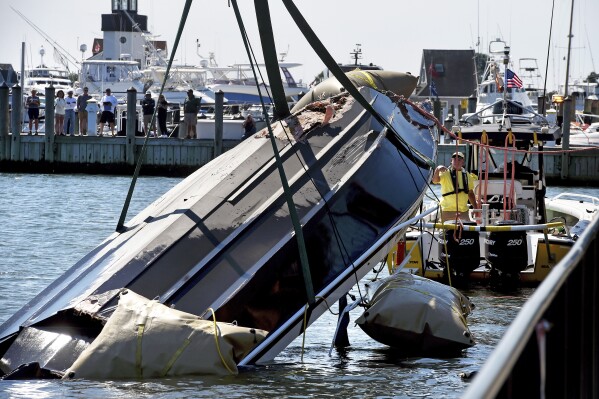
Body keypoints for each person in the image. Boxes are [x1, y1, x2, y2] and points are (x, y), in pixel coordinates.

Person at [432, 151, 480, 221]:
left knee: (465, 231)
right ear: (451, 161)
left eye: (459, 159)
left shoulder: (467, 175)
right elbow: (435, 181)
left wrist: (476, 209)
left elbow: (470, 193)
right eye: (454, 159)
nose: (456, 161)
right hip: (447, 211)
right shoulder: (445, 173)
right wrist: (437, 169)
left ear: (463, 162)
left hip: (463, 212)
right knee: (446, 231)